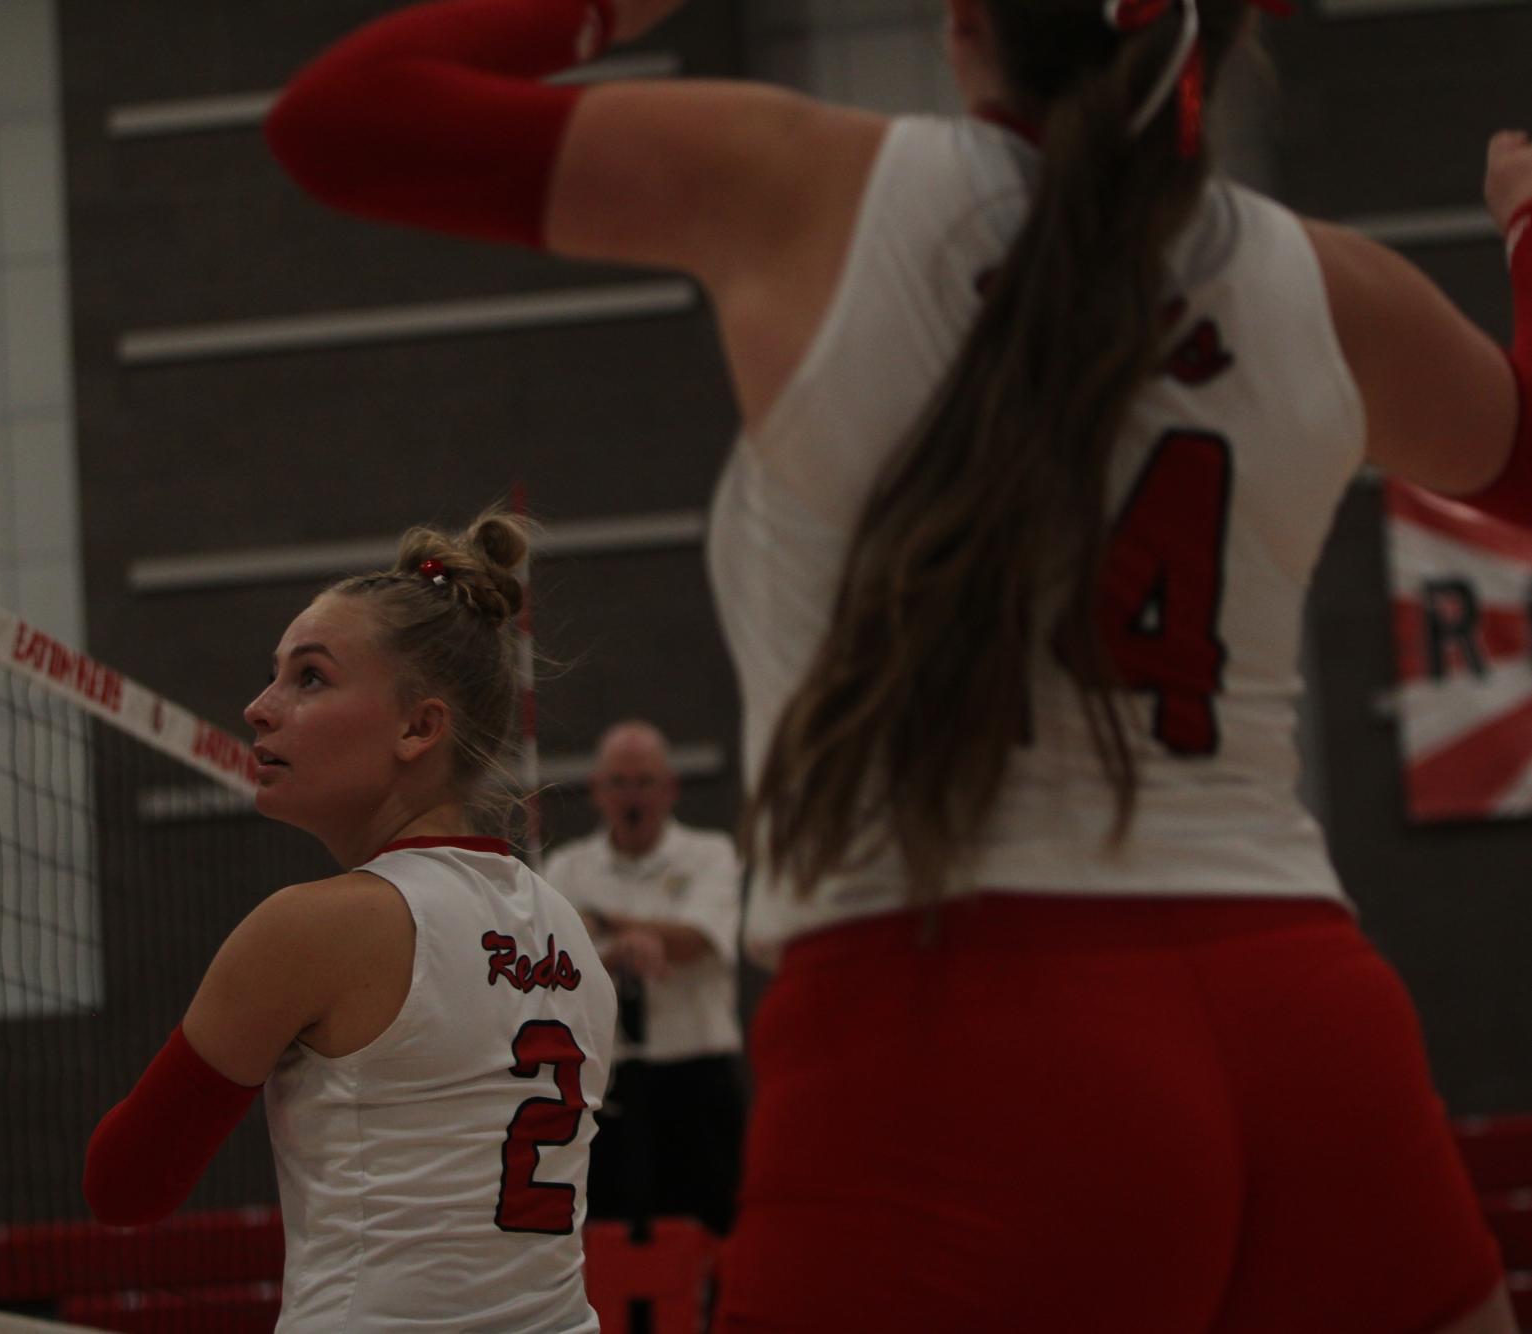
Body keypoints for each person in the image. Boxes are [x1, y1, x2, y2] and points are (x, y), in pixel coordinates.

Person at [265, 2, 1532, 1330]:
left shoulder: (810, 180)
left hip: (958, 1030)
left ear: (964, 22)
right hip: (1304, 1025)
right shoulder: (1329, 283)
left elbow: (340, 120)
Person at [82, 511, 617, 1332]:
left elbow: (124, 1188)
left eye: (309, 679)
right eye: (275, 676)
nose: (260, 708)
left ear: (417, 727)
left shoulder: (310, 930)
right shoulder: (572, 936)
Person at [543, 720, 744, 1236]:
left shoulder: (710, 854)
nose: (633, 797)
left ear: (671, 788)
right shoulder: (566, 869)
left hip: (696, 1077)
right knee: (611, 1239)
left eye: (645, 782)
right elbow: (546, 959)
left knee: (712, 1231)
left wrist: (606, 926)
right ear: (597, 791)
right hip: (607, 1083)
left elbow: (698, 937)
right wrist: (615, 954)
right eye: (619, 783)